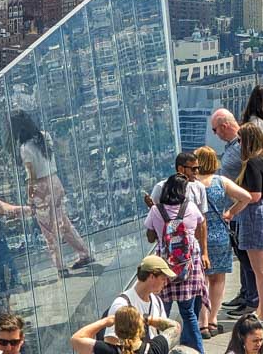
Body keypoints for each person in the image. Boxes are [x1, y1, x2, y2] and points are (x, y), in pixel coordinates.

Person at [9, 110, 94, 274]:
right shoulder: (44, 136)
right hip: (54, 182)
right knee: (63, 222)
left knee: (48, 230)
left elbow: (32, 175)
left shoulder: (25, 148)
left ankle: (60, 266)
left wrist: (30, 197)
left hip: (41, 187)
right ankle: (84, 253)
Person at [224, 124, 263, 329]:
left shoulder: (252, 163)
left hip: (257, 217)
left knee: (261, 270)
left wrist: (232, 208)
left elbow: (253, 196)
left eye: (240, 140)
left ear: (247, 141)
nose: (238, 144)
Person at [145, 174, 208, 354]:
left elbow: (151, 238)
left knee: (161, 311)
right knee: (188, 312)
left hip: (164, 266)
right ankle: (199, 351)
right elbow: (200, 225)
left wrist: (153, 213)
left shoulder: (156, 210)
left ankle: (159, 349)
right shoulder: (190, 207)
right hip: (187, 266)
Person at [194, 146, 251, 338]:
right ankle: (213, 320)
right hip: (219, 235)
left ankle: (201, 323)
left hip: (196, 237)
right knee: (217, 280)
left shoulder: (191, 184)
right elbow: (246, 197)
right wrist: (230, 213)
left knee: (200, 281)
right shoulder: (221, 181)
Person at [211, 109, 258, 318]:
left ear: (224, 126)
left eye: (215, 129)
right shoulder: (233, 147)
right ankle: (245, 292)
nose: (215, 134)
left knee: (248, 258)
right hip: (236, 211)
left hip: (243, 209)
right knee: (241, 254)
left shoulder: (242, 147)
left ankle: (252, 300)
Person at [107, 255, 178, 345]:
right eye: (163, 279)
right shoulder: (122, 304)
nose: (165, 283)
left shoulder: (157, 301)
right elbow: (111, 340)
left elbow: (168, 329)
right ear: (151, 277)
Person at [72, 306, 172, 354]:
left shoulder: (106, 350)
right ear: (141, 327)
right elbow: (175, 327)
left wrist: (105, 321)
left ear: (116, 331)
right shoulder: (156, 348)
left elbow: (76, 339)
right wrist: (148, 319)